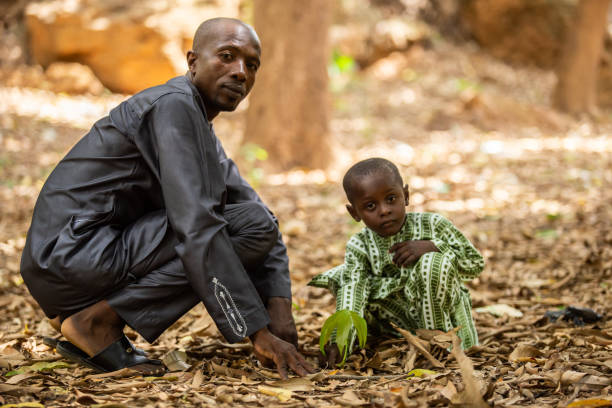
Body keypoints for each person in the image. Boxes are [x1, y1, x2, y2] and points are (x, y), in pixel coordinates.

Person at [20, 17, 313, 379]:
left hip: (73, 258)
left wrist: (279, 309)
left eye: (251, 65)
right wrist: (257, 331)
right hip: (72, 252)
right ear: (192, 62)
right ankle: (95, 323)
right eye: (227, 56)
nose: (241, 73)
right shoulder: (173, 106)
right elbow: (196, 225)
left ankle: (93, 316)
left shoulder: (196, 123)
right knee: (234, 226)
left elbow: (259, 213)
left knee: (253, 220)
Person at [309, 158, 484, 365]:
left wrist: (434, 246)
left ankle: (440, 344)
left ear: (406, 196)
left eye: (391, 198)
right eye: (370, 205)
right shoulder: (360, 245)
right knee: (343, 277)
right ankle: (386, 343)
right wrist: (340, 339)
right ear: (354, 212)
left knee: (432, 264)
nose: (384, 210)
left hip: (446, 320)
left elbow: (475, 264)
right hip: (394, 327)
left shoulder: (434, 225)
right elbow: (353, 289)